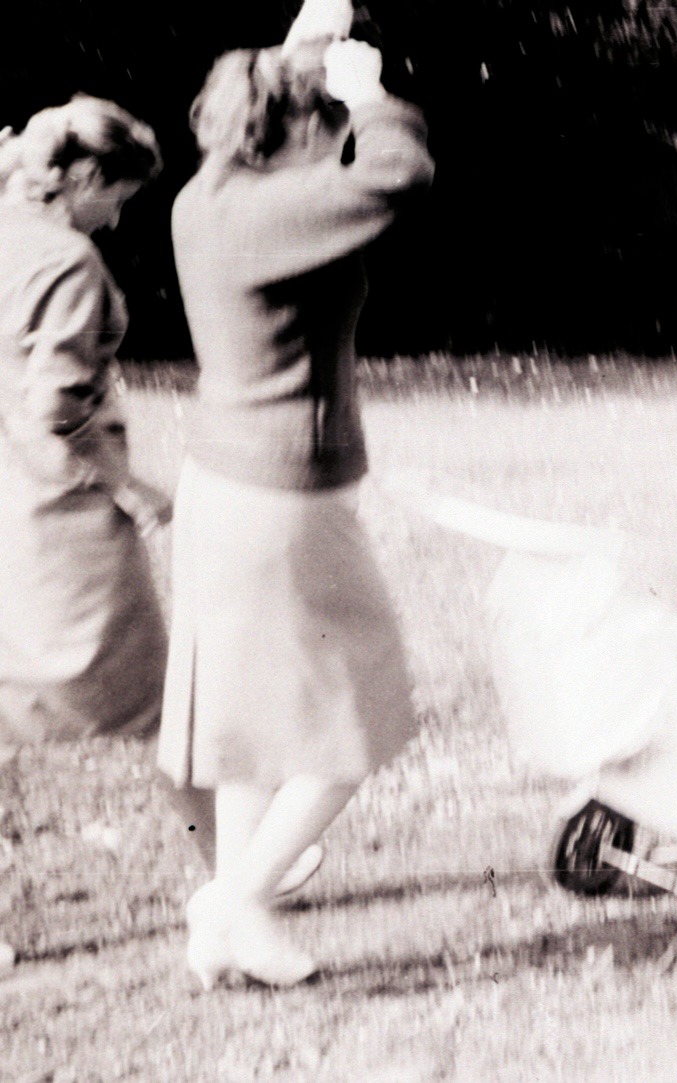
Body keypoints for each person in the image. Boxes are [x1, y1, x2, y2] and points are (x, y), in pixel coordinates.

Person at [159, 10, 434, 988]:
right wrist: (369, 94)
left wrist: (305, 46)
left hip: (225, 491)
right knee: (356, 716)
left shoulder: (210, 197)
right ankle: (234, 902)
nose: (337, 139)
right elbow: (398, 171)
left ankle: (237, 925)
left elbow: (278, 105)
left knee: (252, 731)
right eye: (326, 124)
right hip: (283, 502)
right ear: (297, 127)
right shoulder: (276, 215)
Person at [0, 95, 173, 965]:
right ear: (86, 178)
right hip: (60, 511)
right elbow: (57, 404)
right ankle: (241, 869)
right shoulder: (68, 261)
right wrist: (131, 487)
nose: (118, 218)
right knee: (163, 699)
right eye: (118, 197)